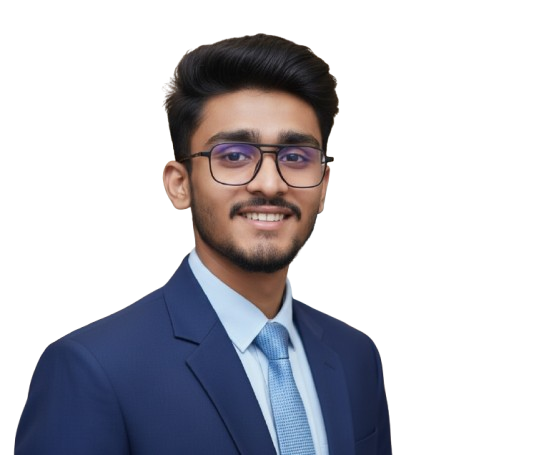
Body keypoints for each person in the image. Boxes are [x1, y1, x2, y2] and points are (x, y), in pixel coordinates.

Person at [14, 33, 392, 454]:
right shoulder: (93, 367)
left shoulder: (355, 356)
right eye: (234, 156)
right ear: (179, 184)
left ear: (323, 186)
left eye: (296, 157)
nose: (270, 184)